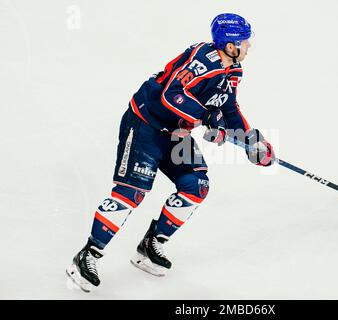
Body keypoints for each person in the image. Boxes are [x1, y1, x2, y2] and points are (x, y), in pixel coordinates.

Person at [66, 13, 276, 292]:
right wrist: (205, 118)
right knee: (131, 193)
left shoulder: (233, 70)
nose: (249, 45)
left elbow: (228, 108)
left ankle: (150, 245)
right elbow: (172, 95)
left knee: (196, 186)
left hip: (176, 133)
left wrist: (251, 141)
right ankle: (87, 256)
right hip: (146, 125)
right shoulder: (204, 62)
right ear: (229, 45)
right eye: (244, 41)